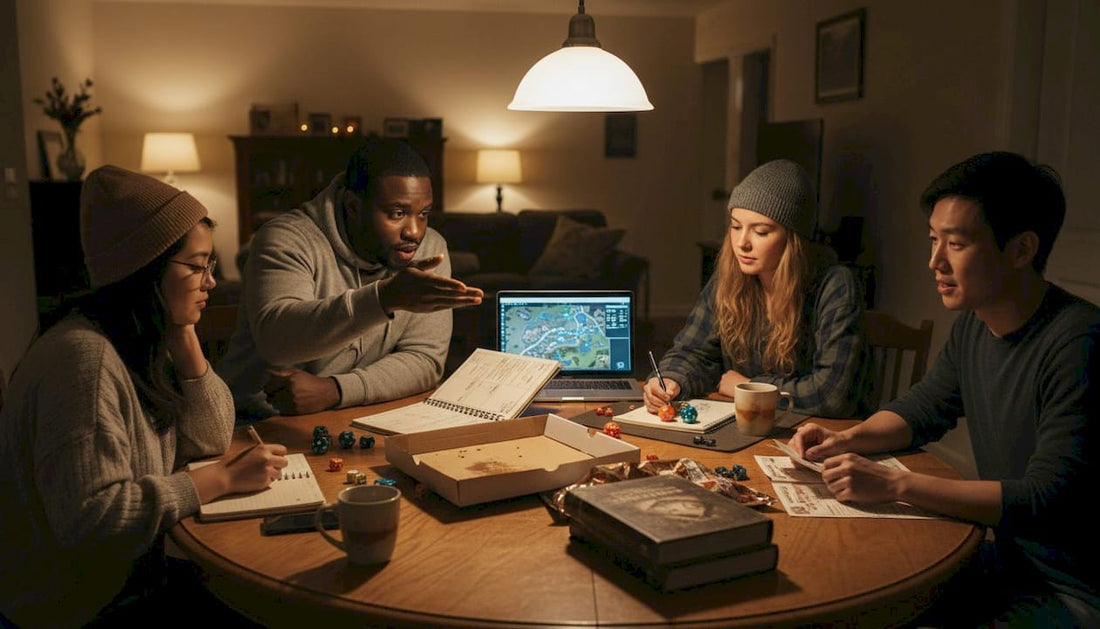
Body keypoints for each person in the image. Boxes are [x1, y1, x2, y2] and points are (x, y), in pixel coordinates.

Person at [789, 151, 1099, 626]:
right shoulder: (976, 325)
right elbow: (924, 407)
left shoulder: (1079, 341)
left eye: (954, 244)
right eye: (934, 240)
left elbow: (1045, 498)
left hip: (1072, 589)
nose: (934, 261)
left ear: (1021, 250)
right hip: (1007, 560)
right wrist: (847, 439)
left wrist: (897, 484)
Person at [0, 165, 288, 628]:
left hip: (123, 582)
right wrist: (220, 481)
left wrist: (185, 334)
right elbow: (91, 521)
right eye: (196, 267)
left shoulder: (142, 342)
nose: (211, 282)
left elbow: (212, 436)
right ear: (144, 270)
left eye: (210, 266)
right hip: (76, 608)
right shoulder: (84, 360)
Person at [218, 138, 483, 418]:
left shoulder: (431, 249)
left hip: (360, 415)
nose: (415, 232)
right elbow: (277, 342)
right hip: (257, 424)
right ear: (353, 206)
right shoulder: (287, 240)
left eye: (423, 214)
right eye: (397, 213)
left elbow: (425, 360)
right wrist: (384, 299)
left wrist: (335, 390)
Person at [645, 159, 873, 418]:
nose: (742, 243)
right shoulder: (729, 277)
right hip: (748, 424)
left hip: (818, 435)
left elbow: (832, 394)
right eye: (735, 226)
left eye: (761, 231)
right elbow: (693, 351)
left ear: (793, 238)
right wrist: (672, 379)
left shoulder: (835, 285)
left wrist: (748, 388)